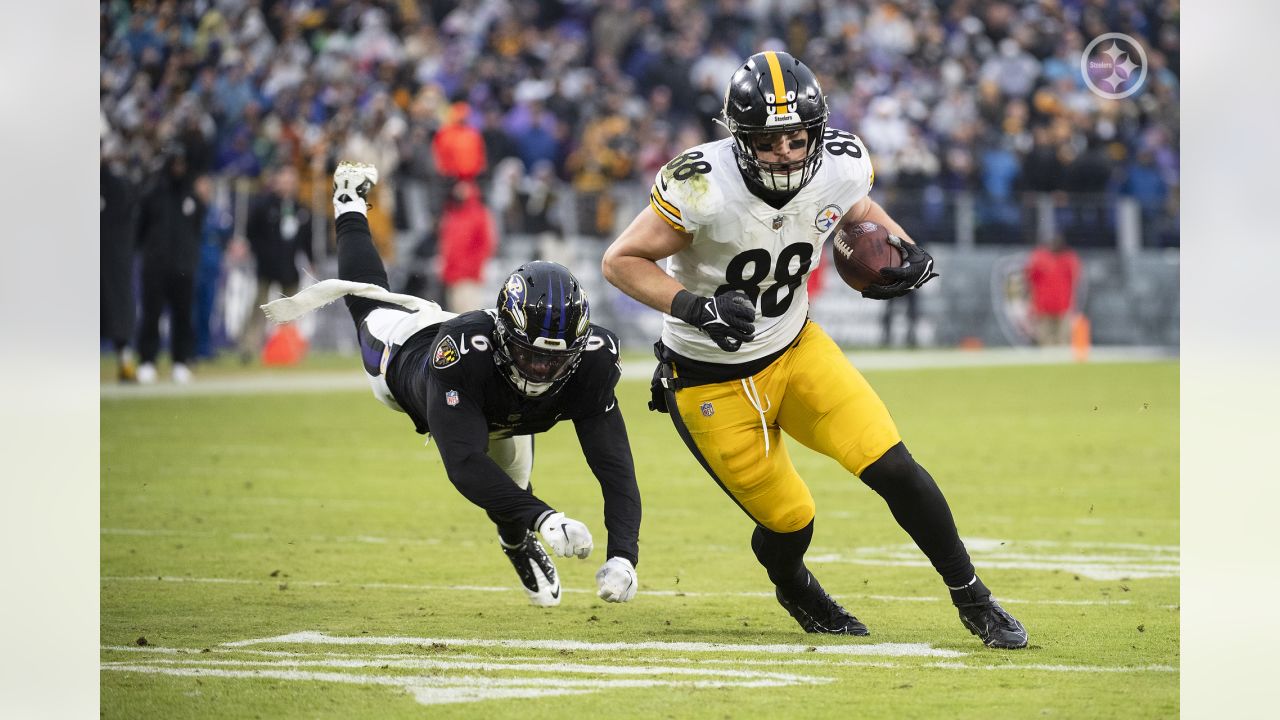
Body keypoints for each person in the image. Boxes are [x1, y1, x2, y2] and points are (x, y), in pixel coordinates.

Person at [602, 51, 1027, 648]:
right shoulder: (702, 186)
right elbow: (620, 260)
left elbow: (857, 212)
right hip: (708, 379)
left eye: (797, 138)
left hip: (796, 350)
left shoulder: (841, 165)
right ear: (741, 136)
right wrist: (695, 306)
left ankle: (974, 600)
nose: (785, 153)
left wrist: (906, 247)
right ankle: (794, 584)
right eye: (769, 141)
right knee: (790, 521)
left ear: (816, 131)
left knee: (895, 468)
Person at [262, 162, 641, 607]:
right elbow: (463, 461)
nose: (540, 369)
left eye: (554, 358)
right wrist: (545, 517)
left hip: (503, 409)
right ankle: (349, 202)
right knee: (368, 300)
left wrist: (624, 557)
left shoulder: (592, 362)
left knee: (513, 493)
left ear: (577, 349)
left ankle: (515, 541)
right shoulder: (460, 356)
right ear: (504, 336)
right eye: (530, 354)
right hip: (412, 361)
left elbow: (614, 466)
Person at [134, 143, 207, 384]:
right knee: (151, 314)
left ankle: (180, 361)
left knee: (183, 316)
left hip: (184, 268)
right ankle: (147, 361)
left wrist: (188, 256)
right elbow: (140, 230)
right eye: (174, 163)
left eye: (181, 163)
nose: (178, 168)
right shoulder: (152, 194)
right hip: (155, 266)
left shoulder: (192, 198)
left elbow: (196, 230)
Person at [237, 165, 314, 363]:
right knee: (260, 307)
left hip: (290, 268)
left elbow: (307, 240)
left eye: (291, 181)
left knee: (290, 311)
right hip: (267, 266)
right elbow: (251, 233)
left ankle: (287, 348)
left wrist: (311, 261)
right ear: (277, 182)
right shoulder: (263, 206)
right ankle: (248, 346)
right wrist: (258, 253)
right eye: (284, 180)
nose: (287, 185)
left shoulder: (301, 209)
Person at [438, 180, 497, 312]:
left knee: (468, 316)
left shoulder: (479, 214)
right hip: (452, 276)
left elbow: (487, 244)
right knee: (454, 316)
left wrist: (471, 266)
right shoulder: (452, 214)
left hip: (469, 277)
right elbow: (446, 245)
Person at [1024, 235, 1081, 346]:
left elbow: (1074, 280)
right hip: (1044, 306)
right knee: (1045, 340)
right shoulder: (1040, 259)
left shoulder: (1068, 259)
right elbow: (1030, 278)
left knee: (1063, 340)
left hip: (1063, 305)